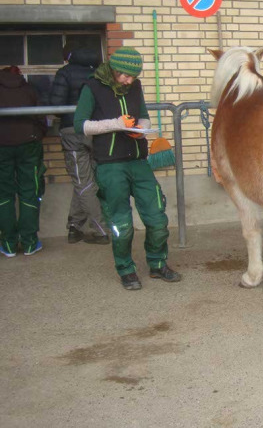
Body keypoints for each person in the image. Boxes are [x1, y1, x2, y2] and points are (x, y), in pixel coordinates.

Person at [73, 46, 181, 290]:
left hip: (139, 162)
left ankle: (157, 264)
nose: (129, 81)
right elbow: (81, 125)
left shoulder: (135, 86)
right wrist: (117, 124)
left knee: (157, 218)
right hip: (110, 166)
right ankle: (126, 270)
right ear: (114, 70)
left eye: (133, 76)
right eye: (126, 75)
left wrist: (140, 129)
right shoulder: (92, 87)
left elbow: (143, 115)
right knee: (122, 224)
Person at [49, 45, 110, 245]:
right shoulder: (99, 74)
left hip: (72, 131)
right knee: (85, 181)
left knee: (83, 183)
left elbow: (56, 106)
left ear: (68, 57)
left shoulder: (65, 73)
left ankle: (100, 230)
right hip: (96, 131)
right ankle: (75, 226)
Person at [0, 66, 47, 257]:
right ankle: (29, 243)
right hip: (29, 144)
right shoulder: (29, 89)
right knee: (30, 191)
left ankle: (8, 244)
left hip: (1, 146)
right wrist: (37, 135)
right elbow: (42, 117)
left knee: (4, 194)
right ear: (19, 75)